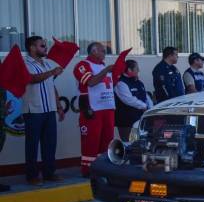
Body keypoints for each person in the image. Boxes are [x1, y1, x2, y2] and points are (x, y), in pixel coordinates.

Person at [22, 36, 65, 185]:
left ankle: (49, 173)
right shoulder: (25, 62)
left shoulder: (46, 64)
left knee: (50, 143)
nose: (45, 48)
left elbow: (51, 86)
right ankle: (32, 175)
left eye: (45, 46)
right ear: (32, 48)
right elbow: (31, 79)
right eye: (42, 46)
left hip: (49, 109)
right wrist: (52, 72)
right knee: (32, 145)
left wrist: (59, 106)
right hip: (33, 110)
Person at [73, 42, 115, 178]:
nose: (105, 53)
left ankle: (103, 166)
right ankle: (88, 169)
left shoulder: (103, 66)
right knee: (91, 140)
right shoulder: (83, 65)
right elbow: (90, 82)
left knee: (107, 140)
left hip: (107, 108)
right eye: (103, 51)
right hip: (92, 108)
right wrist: (106, 70)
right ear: (94, 51)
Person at [115, 60, 153, 141]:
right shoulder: (121, 83)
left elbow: (146, 96)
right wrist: (144, 106)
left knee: (142, 142)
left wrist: (151, 107)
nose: (138, 70)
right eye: (136, 68)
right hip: (127, 122)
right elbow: (128, 99)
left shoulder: (138, 82)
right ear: (129, 70)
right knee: (130, 144)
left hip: (140, 119)